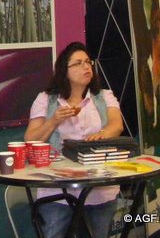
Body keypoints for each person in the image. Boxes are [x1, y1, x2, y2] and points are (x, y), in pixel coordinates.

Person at [24, 41, 124, 238]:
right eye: (78, 63)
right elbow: (30, 139)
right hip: (57, 192)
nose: (86, 67)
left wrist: (102, 134)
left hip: (99, 190)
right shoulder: (46, 99)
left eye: (88, 62)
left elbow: (116, 125)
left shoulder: (104, 96)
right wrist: (53, 121)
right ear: (64, 70)